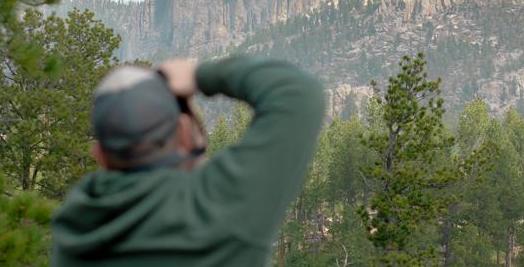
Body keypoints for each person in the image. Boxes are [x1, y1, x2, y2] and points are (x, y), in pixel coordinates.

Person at [51, 55, 325, 266]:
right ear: (183, 133)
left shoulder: (73, 229)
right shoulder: (217, 208)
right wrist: (198, 74)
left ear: (99, 155)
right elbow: (298, 93)